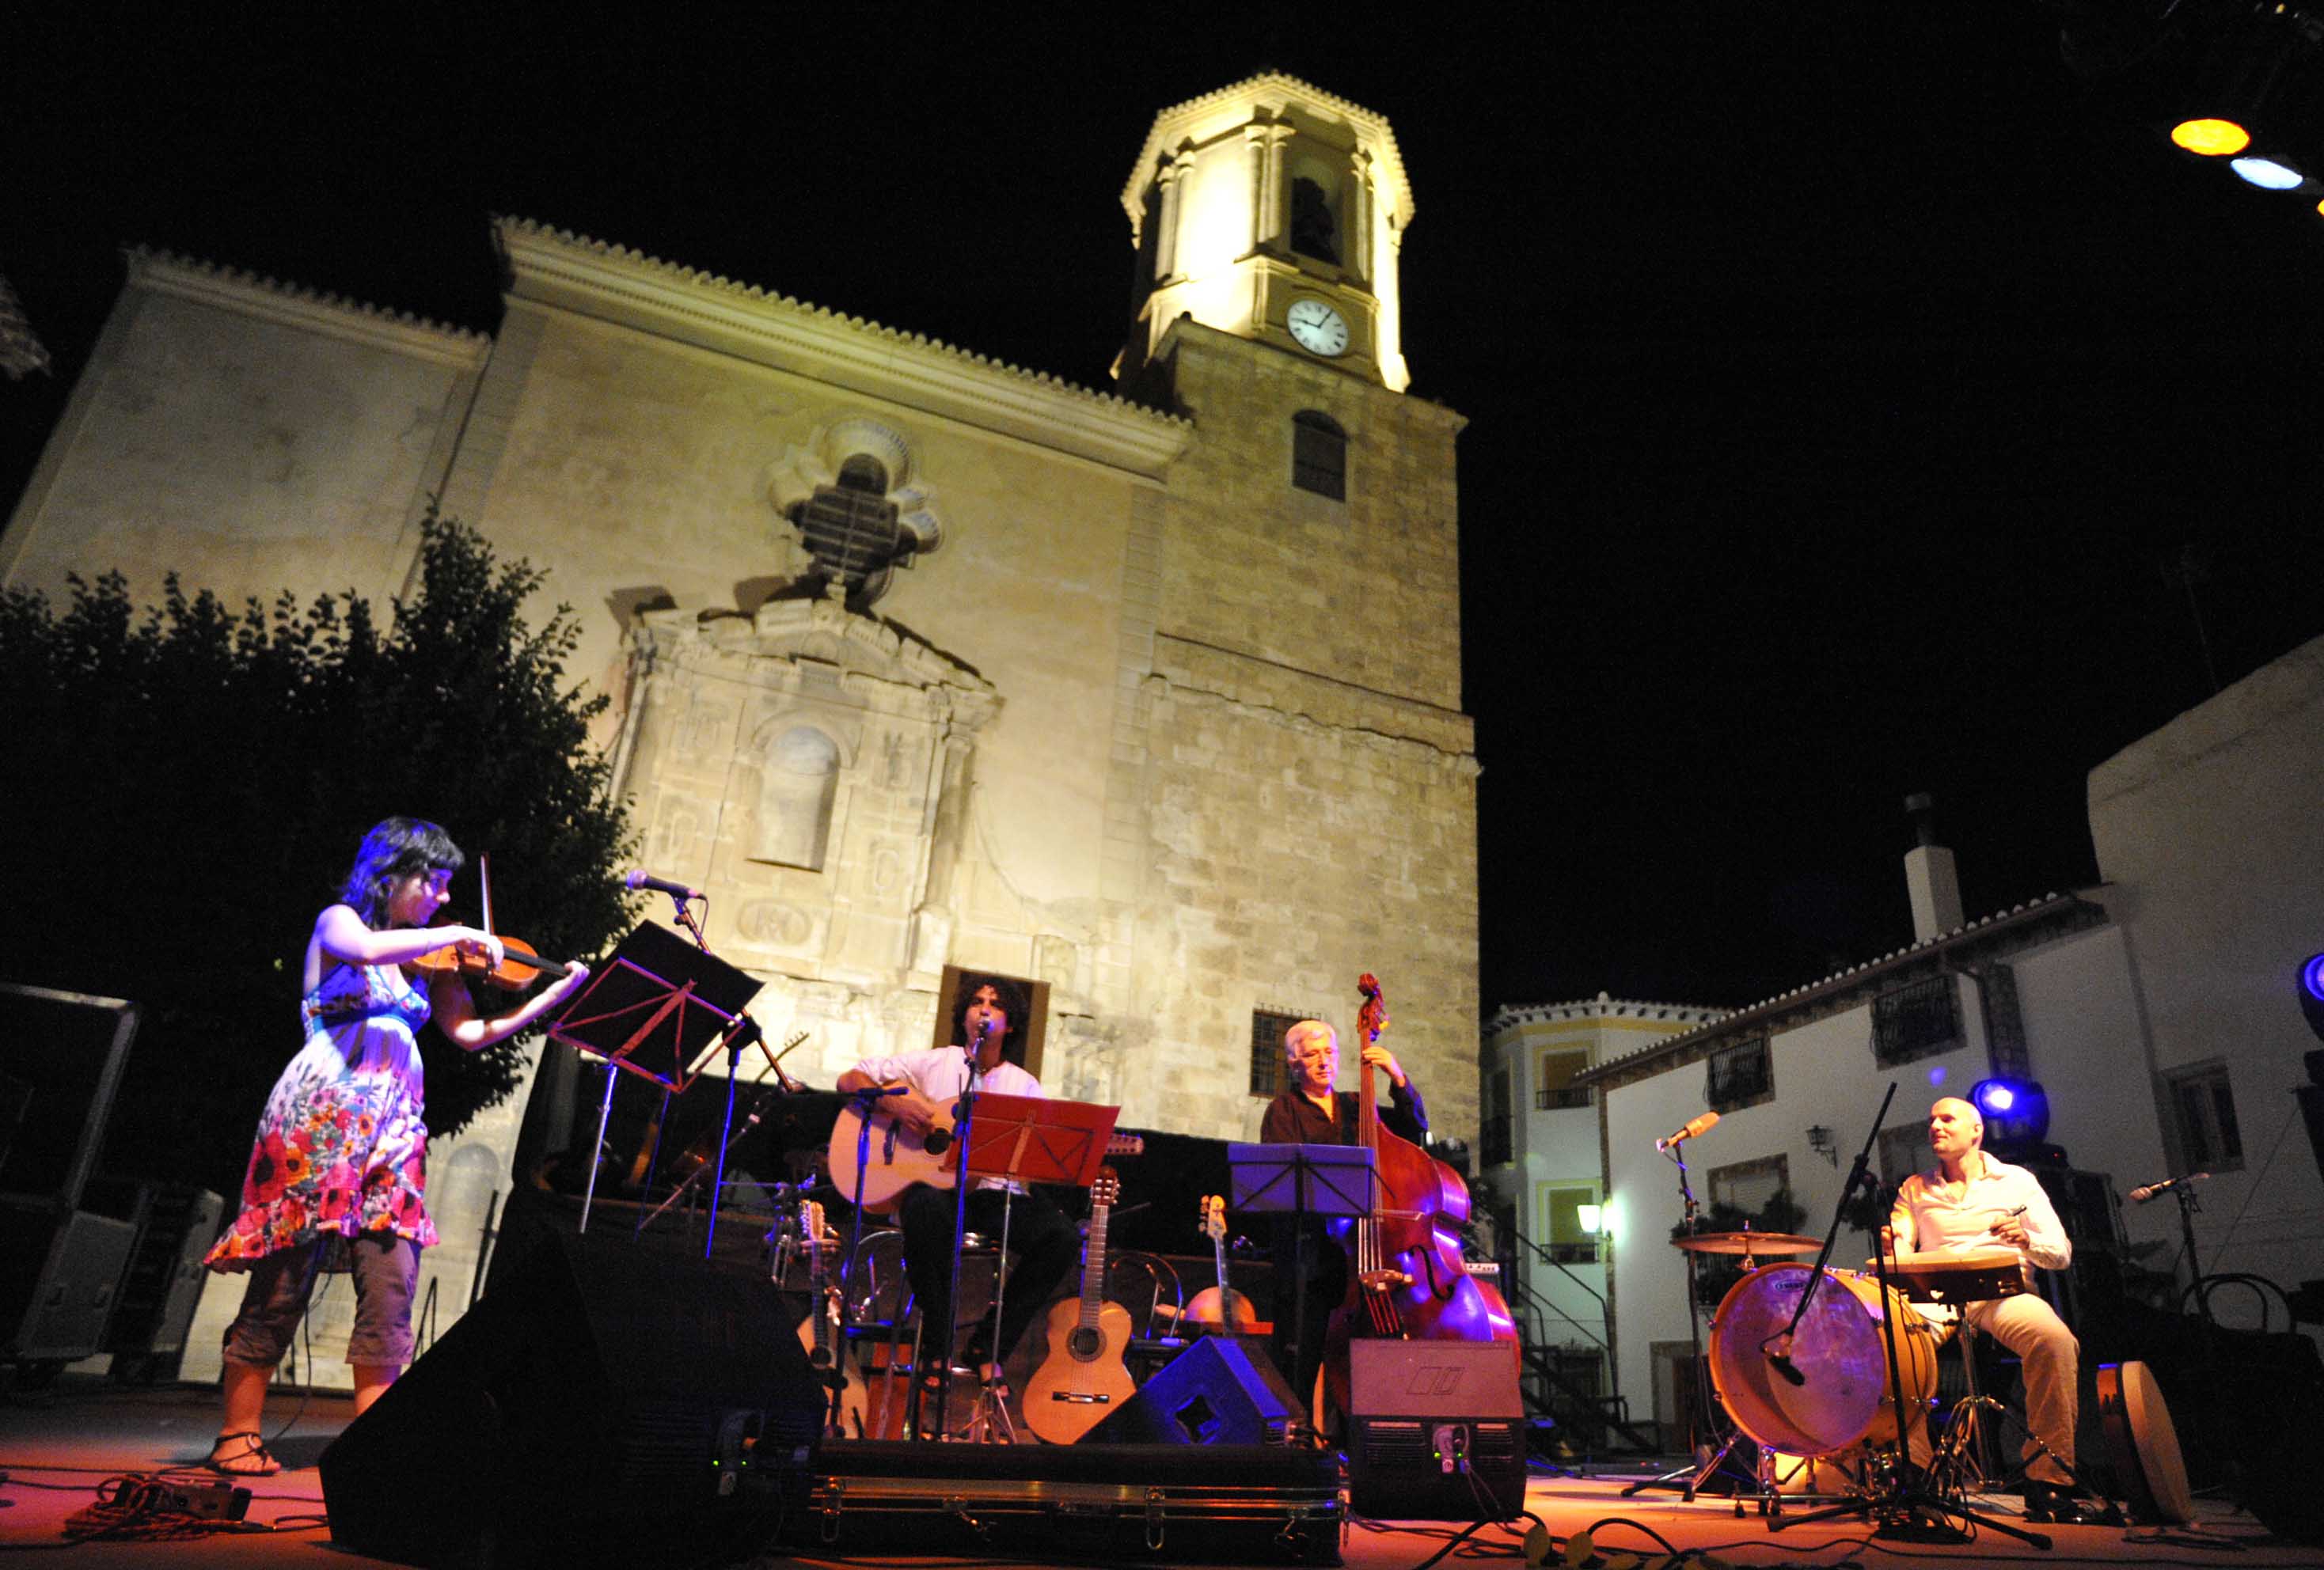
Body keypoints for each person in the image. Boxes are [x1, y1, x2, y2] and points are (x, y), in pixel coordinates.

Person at [201, 818, 590, 1475]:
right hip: (320, 1116)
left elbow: (468, 1033)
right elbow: (368, 950)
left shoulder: (428, 963)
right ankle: (238, 1434)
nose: (442, 898)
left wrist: (554, 995)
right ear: (393, 874)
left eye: (446, 889)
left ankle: (380, 1448)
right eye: (433, 883)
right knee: (282, 1280)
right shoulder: (341, 924)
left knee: (391, 1284)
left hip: (393, 1130)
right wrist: (459, 934)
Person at [834, 976, 1079, 1401]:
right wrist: (894, 1102)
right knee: (927, 1211)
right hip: (935, 1192)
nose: (983, 1009)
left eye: (995, 1005)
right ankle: (937, 1344)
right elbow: (848, 1080)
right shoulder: (935, 1062)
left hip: (992, 1195)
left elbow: (1035, 1159)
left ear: (1010, 1024)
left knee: (1060, 1237)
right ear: (964, 1016)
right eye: (977, 1002)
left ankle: (990, 1345)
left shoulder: (1025, 1086)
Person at [1888, 1095, 2090, 1523]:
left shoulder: (2016, 1181)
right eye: (1931, 1119)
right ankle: (1916, 1471)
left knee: (2054, 1340)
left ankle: (2049, 1481)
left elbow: (2060, 1254)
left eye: (1947, 1119)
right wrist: (1894, 1246)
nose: (1936, 1127)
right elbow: (1902, 1246)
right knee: (1891, 1343)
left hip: (2003, 1292)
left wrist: (2025, 1240)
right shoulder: (1914, 1188)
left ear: (1976, 1131)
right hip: (1935, 1296)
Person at [1256, 1018, 1426, 1416]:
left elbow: (1415, 1129)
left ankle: (1362, 1438)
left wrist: (1396, 1077)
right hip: (1308, 1257)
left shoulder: (1356, 1106)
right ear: (1293, 1063)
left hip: (1359, 1258)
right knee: (1300, 1354)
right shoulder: (1283, 1110)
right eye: (1312, 1054)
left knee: (1365, 1357)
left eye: (1329, 1053)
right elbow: (1286, 1185)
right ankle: (1292, 1437)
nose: (1323, 1062)